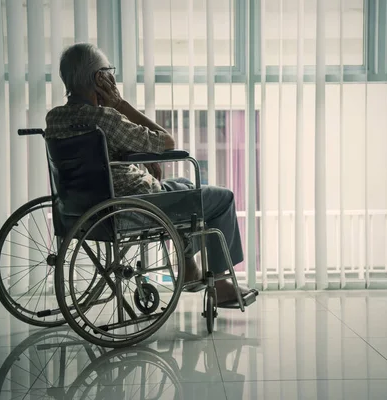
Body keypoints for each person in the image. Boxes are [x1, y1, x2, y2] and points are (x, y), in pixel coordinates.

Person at [45, 43, 255, 305]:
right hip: (132, 203)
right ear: (99, 78)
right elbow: (167, 141)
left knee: (183, 185)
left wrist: (133, 157)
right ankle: (221, 283)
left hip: (84, 206)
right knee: (222, 198)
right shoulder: (106, 118)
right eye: (108, 72)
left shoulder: (54, 118)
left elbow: (98, 156)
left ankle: (189, 267)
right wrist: (121, 104)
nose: (112, 77)